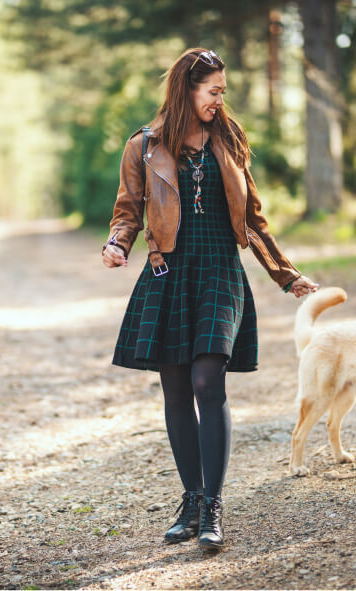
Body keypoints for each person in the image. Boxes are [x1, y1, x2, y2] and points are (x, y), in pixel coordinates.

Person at [101, 48, 318, 550]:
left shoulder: (230, 138)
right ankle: (192, 499)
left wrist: (286, 274)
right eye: (213, 91)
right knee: (175, 390)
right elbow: (128, 208)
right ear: (187, 89)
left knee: (207, 380)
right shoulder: (144, 145)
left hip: (221, 270)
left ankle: (214, 508)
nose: (220, 101)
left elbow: (253, 218)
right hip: (168, 272)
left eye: (223, 92)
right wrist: (117, 243)